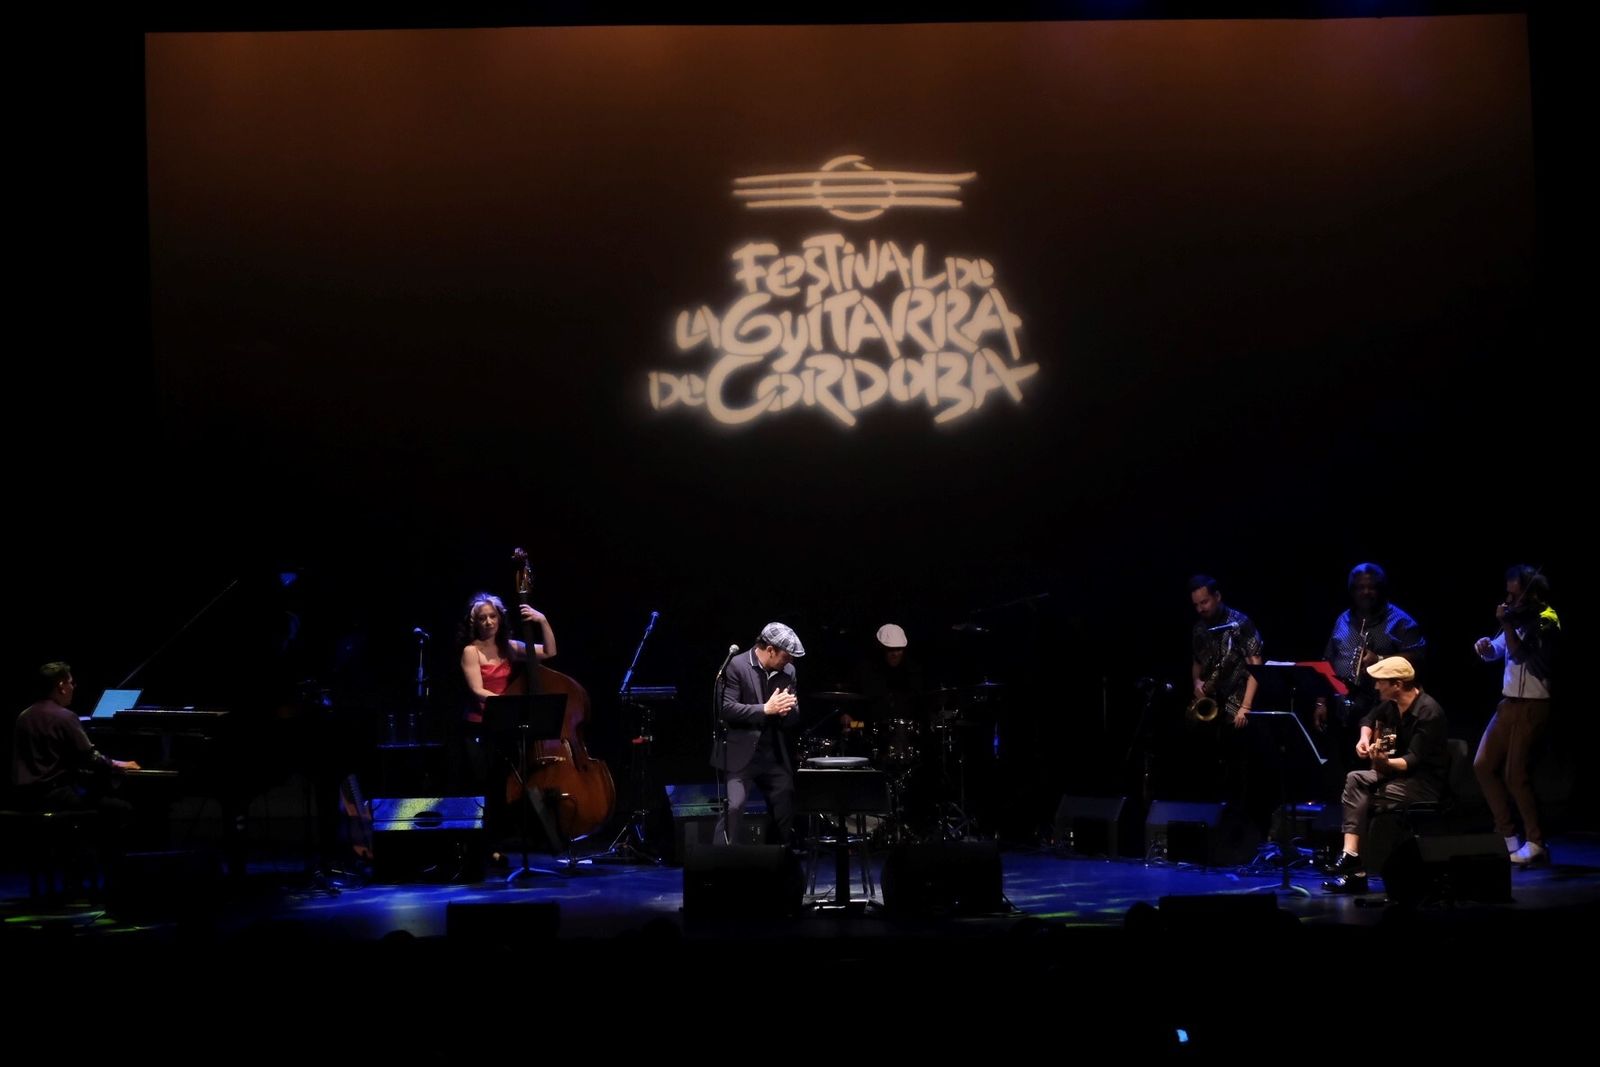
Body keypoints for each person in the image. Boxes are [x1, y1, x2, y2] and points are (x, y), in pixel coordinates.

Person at [1322, 657, 1449, 893]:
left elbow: (1413, 761)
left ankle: (1359, 873)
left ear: (1398, 684)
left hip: (1421, 782)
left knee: (1364, 800)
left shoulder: (1429, 712)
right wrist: (1363, 739)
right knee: (1354, 779)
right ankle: (1350, 854)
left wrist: (1384, 762)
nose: (1376, 686)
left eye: (1381, 682)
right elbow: (1367, 719)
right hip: (1394, 777)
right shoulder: (1391, 704)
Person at [11, 663, 142, 887]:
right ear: (61, 685)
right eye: (71, 682)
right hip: (56, 797)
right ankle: (118, 881)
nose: (74, 687)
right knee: (120, 809)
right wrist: (120, 764)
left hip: (27, 798)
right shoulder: (65, 717)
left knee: (94, 802)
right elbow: (91, 759)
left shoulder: (24, 716)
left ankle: (77, 873)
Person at [456, 592, 559, 856]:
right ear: (475, 623)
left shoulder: (510, 648)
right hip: (479, 728)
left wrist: (542, 620)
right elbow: (477, 690)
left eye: (493, 616)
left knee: (509, 785)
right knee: (486, 786)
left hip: (505, 725)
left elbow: (549, 651)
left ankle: (509, 841)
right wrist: (508, 704)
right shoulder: (471, 651)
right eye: (483, 618)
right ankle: (483, 846)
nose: (489, 622)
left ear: (500, 619)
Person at [1472, 565, 1559, 867]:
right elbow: (1500, 651)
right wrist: (1485, 647)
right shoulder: (1517, 618)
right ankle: (1509, 839)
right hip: (1508, 703)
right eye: (1507, 595)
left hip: (1533, 704)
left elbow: (1523, 655)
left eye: (1514, 595)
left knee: (1515, 775)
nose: (1509, 601)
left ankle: (1536, 843)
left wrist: (1508, 625)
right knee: (1483, 764)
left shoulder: (1547, 622)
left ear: (1531, 593)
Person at [1311, 563, 1427, 772]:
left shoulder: (1400, 621)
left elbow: (1418, 658)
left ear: (1381, 589)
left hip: (1381, 707)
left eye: (1372, 587)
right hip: (1343, 707)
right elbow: (1328, 659)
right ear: (1351, 590)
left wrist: (1380, 659)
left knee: (1376, 765)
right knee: (1343, 765)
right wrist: (1321, 702)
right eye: (1359, 587)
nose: (1365, 592)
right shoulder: (1343, 619)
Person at [711, 622, 805, 848]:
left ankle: (777, 859)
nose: (789, 661)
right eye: (786, 655)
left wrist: (790, 709)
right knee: (734, 806)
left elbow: (793, 718)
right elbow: (725, 709)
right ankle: (717, 864)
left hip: (772, 752)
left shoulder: (788, 671)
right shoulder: (737, 666)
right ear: (770, 649)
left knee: (785, 802)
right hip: (741, 751)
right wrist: (765, 709)